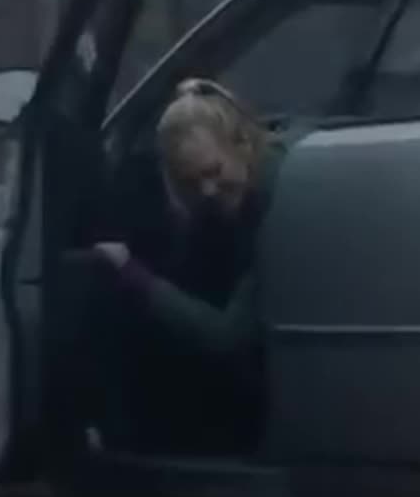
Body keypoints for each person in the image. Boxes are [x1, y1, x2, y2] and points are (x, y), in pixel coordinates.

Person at [80, 78, 306, 452]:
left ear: (243, 144)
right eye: (191, 181)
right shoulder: (238, 193)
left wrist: (132, 274)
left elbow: (229, 335)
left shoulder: (276, 200)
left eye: (213, 172)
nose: (207, 191)